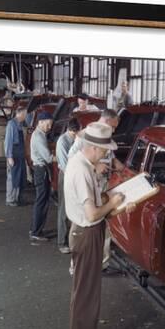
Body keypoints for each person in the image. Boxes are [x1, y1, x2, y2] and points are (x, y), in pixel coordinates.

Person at [64, 122, 135, 329]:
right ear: (94, 147)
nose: (106, 155)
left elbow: (96, 204)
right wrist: (113, 203)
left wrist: (116, 204)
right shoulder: (83, 171)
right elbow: (93, 213)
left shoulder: (79, 163)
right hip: (87, 234)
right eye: (105, 151)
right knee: (87, 297)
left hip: (82, 231)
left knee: (85, 294)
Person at [68, 109, 126, 268]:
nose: (114, 130)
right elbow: (71, 158)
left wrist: (116, 164)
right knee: (86, 219)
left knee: (102, 224)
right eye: (113, 126)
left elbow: (109, 156)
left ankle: (101, 262)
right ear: (107, 121)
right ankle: (79, 263)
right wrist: (93, 167)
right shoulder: (87, 135)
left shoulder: (104, 136)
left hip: (99, 183)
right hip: (88, 185)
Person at [55, 118, 80, 254]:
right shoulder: (62, 142)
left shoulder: (75, 139)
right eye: (73, 134)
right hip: (66, 176)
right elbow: (65, 166)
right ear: (69, 130)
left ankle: (72, 240)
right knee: (64, 209)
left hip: (74, 176)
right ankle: (61, 242)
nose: (75, 136)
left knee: (73, 209)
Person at [29, 111, 54, 242]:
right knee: (41, 202)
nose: (49, 127)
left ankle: (35, 228)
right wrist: (59, 157)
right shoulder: (39, 136)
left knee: (41, 201)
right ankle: (36, 232)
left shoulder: (40, 134)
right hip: (41, 170)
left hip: (40, 170)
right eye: (48, 124)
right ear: (41, 122)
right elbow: (48, 158)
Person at [4, 106, 27, 206]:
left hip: (20, 153)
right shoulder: (11, 124)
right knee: (12, 177)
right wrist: (9, 157)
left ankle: (17, 198)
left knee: (20, 177)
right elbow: (8, 141)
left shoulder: (20, 124)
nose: (25, 116)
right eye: (25, 114)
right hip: (14, 152)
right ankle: (10, 199)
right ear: (20, 113)